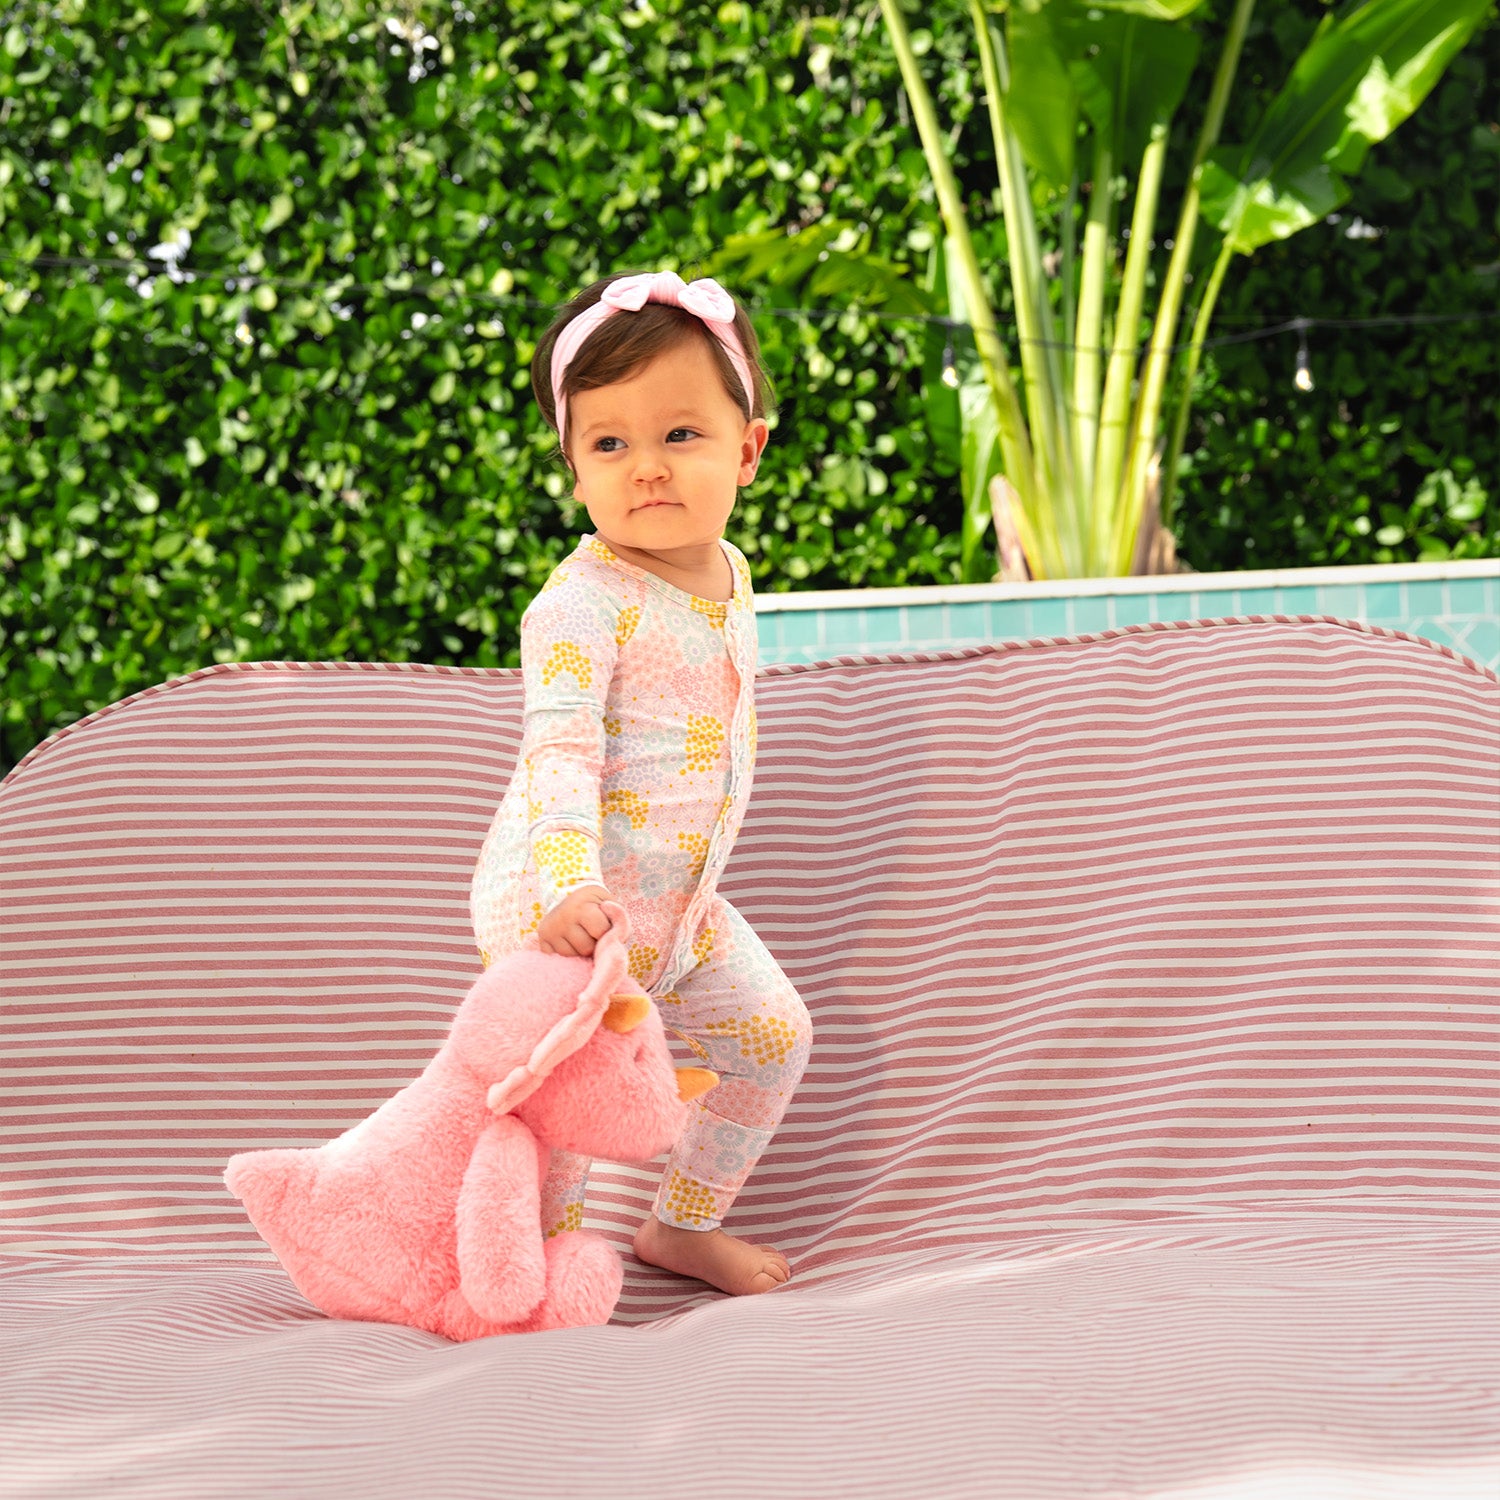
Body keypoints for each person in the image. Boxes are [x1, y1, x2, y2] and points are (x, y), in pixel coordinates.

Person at [470, 269, 813, 1297]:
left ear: (748, 450)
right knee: (566, 1099)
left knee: (773, 1036)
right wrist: (568, 889)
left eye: (681, 435)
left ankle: (680, 1226)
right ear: (574, 469)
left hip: (677, 905)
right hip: (562, 907)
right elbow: (560, 754)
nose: (648, 468)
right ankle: (542, 1263)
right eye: (610, 443)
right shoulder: (578, 607)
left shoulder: (729, 569)